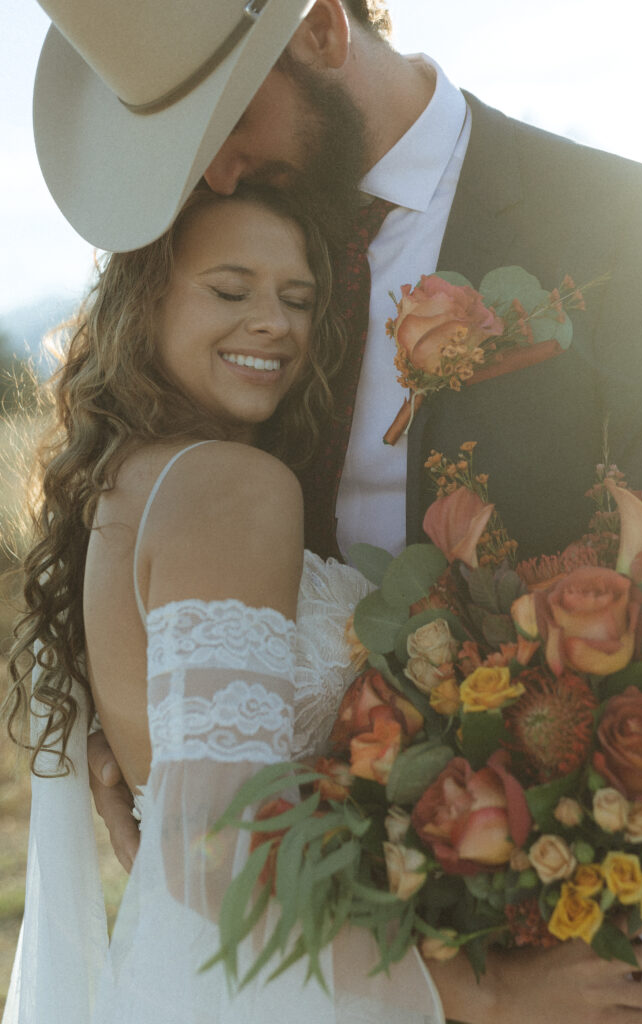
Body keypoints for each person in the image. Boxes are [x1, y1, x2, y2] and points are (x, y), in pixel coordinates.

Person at [23, 0, 642, 1021]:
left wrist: (617, 909)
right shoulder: (241, 253)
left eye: (225, 120)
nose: (211, 172)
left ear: (319, 32)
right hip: (313, 956)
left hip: (574, 952)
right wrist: (190, 856)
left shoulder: (619, 220)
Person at [2, 185, 465, 1023]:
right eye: (230, 290)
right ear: (144, 304)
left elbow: (185, 820)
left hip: (210, 967)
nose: (275, 323)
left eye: (298, 300)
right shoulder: (231, 484)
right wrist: (492, 993)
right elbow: (221, 851)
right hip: (288, 977)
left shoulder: (125, 483)